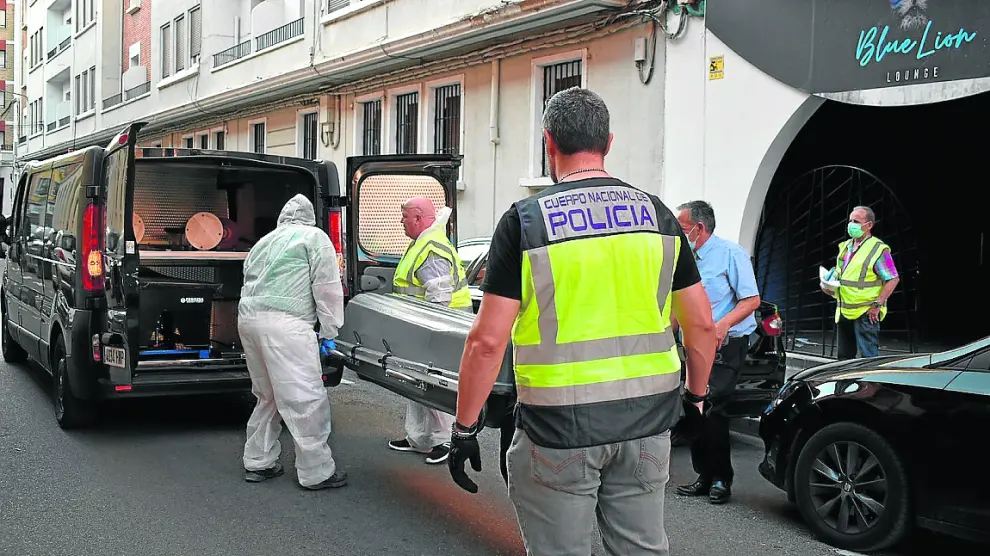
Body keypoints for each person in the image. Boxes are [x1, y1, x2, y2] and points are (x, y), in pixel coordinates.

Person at [445, 87, 716, 556]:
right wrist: (695, 397)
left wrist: (464, 428)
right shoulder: (660, 217)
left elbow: (487, 343)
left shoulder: (525, 223)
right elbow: (702, 327)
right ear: (608, 143)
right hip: (647, 424)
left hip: (558, 430)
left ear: (549, 143)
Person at [238, 194, 348, 490]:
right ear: (309, 217)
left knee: (268, 395)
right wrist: (329, 331)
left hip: (249, 321)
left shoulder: (263, 242)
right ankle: (317, 471)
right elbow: (326, 287)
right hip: (286, 325)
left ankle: (259, 461)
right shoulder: (314, 237)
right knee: (305, 398)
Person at [674, 200, 761, 505]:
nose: (679, 233)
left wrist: (722, 325)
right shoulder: (686, 258)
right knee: (694, 407)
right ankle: (704, 475)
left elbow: (751, 300)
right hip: (694, 345)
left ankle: (722, 478)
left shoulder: (730, 254)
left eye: (682, 228)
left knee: (712, 407)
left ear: (699, 228)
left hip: (726, 344)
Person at [387, 196, 473, 465]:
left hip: (440, 327)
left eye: (404, 217)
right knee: (417, 382)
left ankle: (444, 440)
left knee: (437, 383)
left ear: (418, 218)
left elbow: (440, 295)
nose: (401, 221)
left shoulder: (431, 247)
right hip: (425, 326)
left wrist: (429, 331)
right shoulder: (422, 243)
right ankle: (420, 439)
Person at [828, 206, 899, 359]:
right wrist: (829, 286)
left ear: (869, 225)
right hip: (844, 311)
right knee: (843, 359)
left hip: (866, 313)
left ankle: (871, 384)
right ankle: (845, 383)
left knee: (868, 358)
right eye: (850, 221)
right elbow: (842, 275)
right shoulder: (845, 247)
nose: (851, 225)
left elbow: (893, 278)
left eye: (856, 221)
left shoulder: (878, 249)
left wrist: (877, 305)